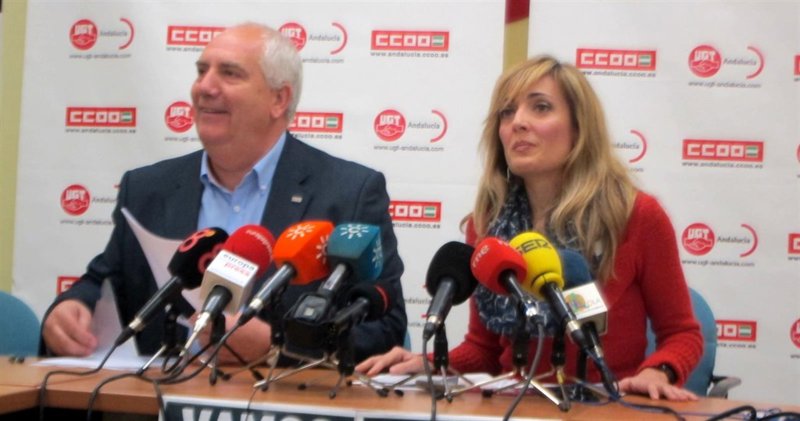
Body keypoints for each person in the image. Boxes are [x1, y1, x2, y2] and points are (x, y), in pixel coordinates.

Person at [41, 23, 407, 365]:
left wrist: (277, 345)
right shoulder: (147, 189)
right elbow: (103, 284)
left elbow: (385, 327)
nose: (205, 86)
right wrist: (72, 308)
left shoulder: (347, 193)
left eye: (229, 73)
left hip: (278, 399)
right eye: (201, 71)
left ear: (279, 99)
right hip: (157, 397)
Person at [357, 55, 703, 401]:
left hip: (605, 406)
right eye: (507, 112)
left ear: (579, 127)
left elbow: (682, 334)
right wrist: (430, 363)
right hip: (515, 405)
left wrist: (658, 371)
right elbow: (485, 349)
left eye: (541, 107)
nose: (518, 122)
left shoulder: (635, 215)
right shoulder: (487, 225)